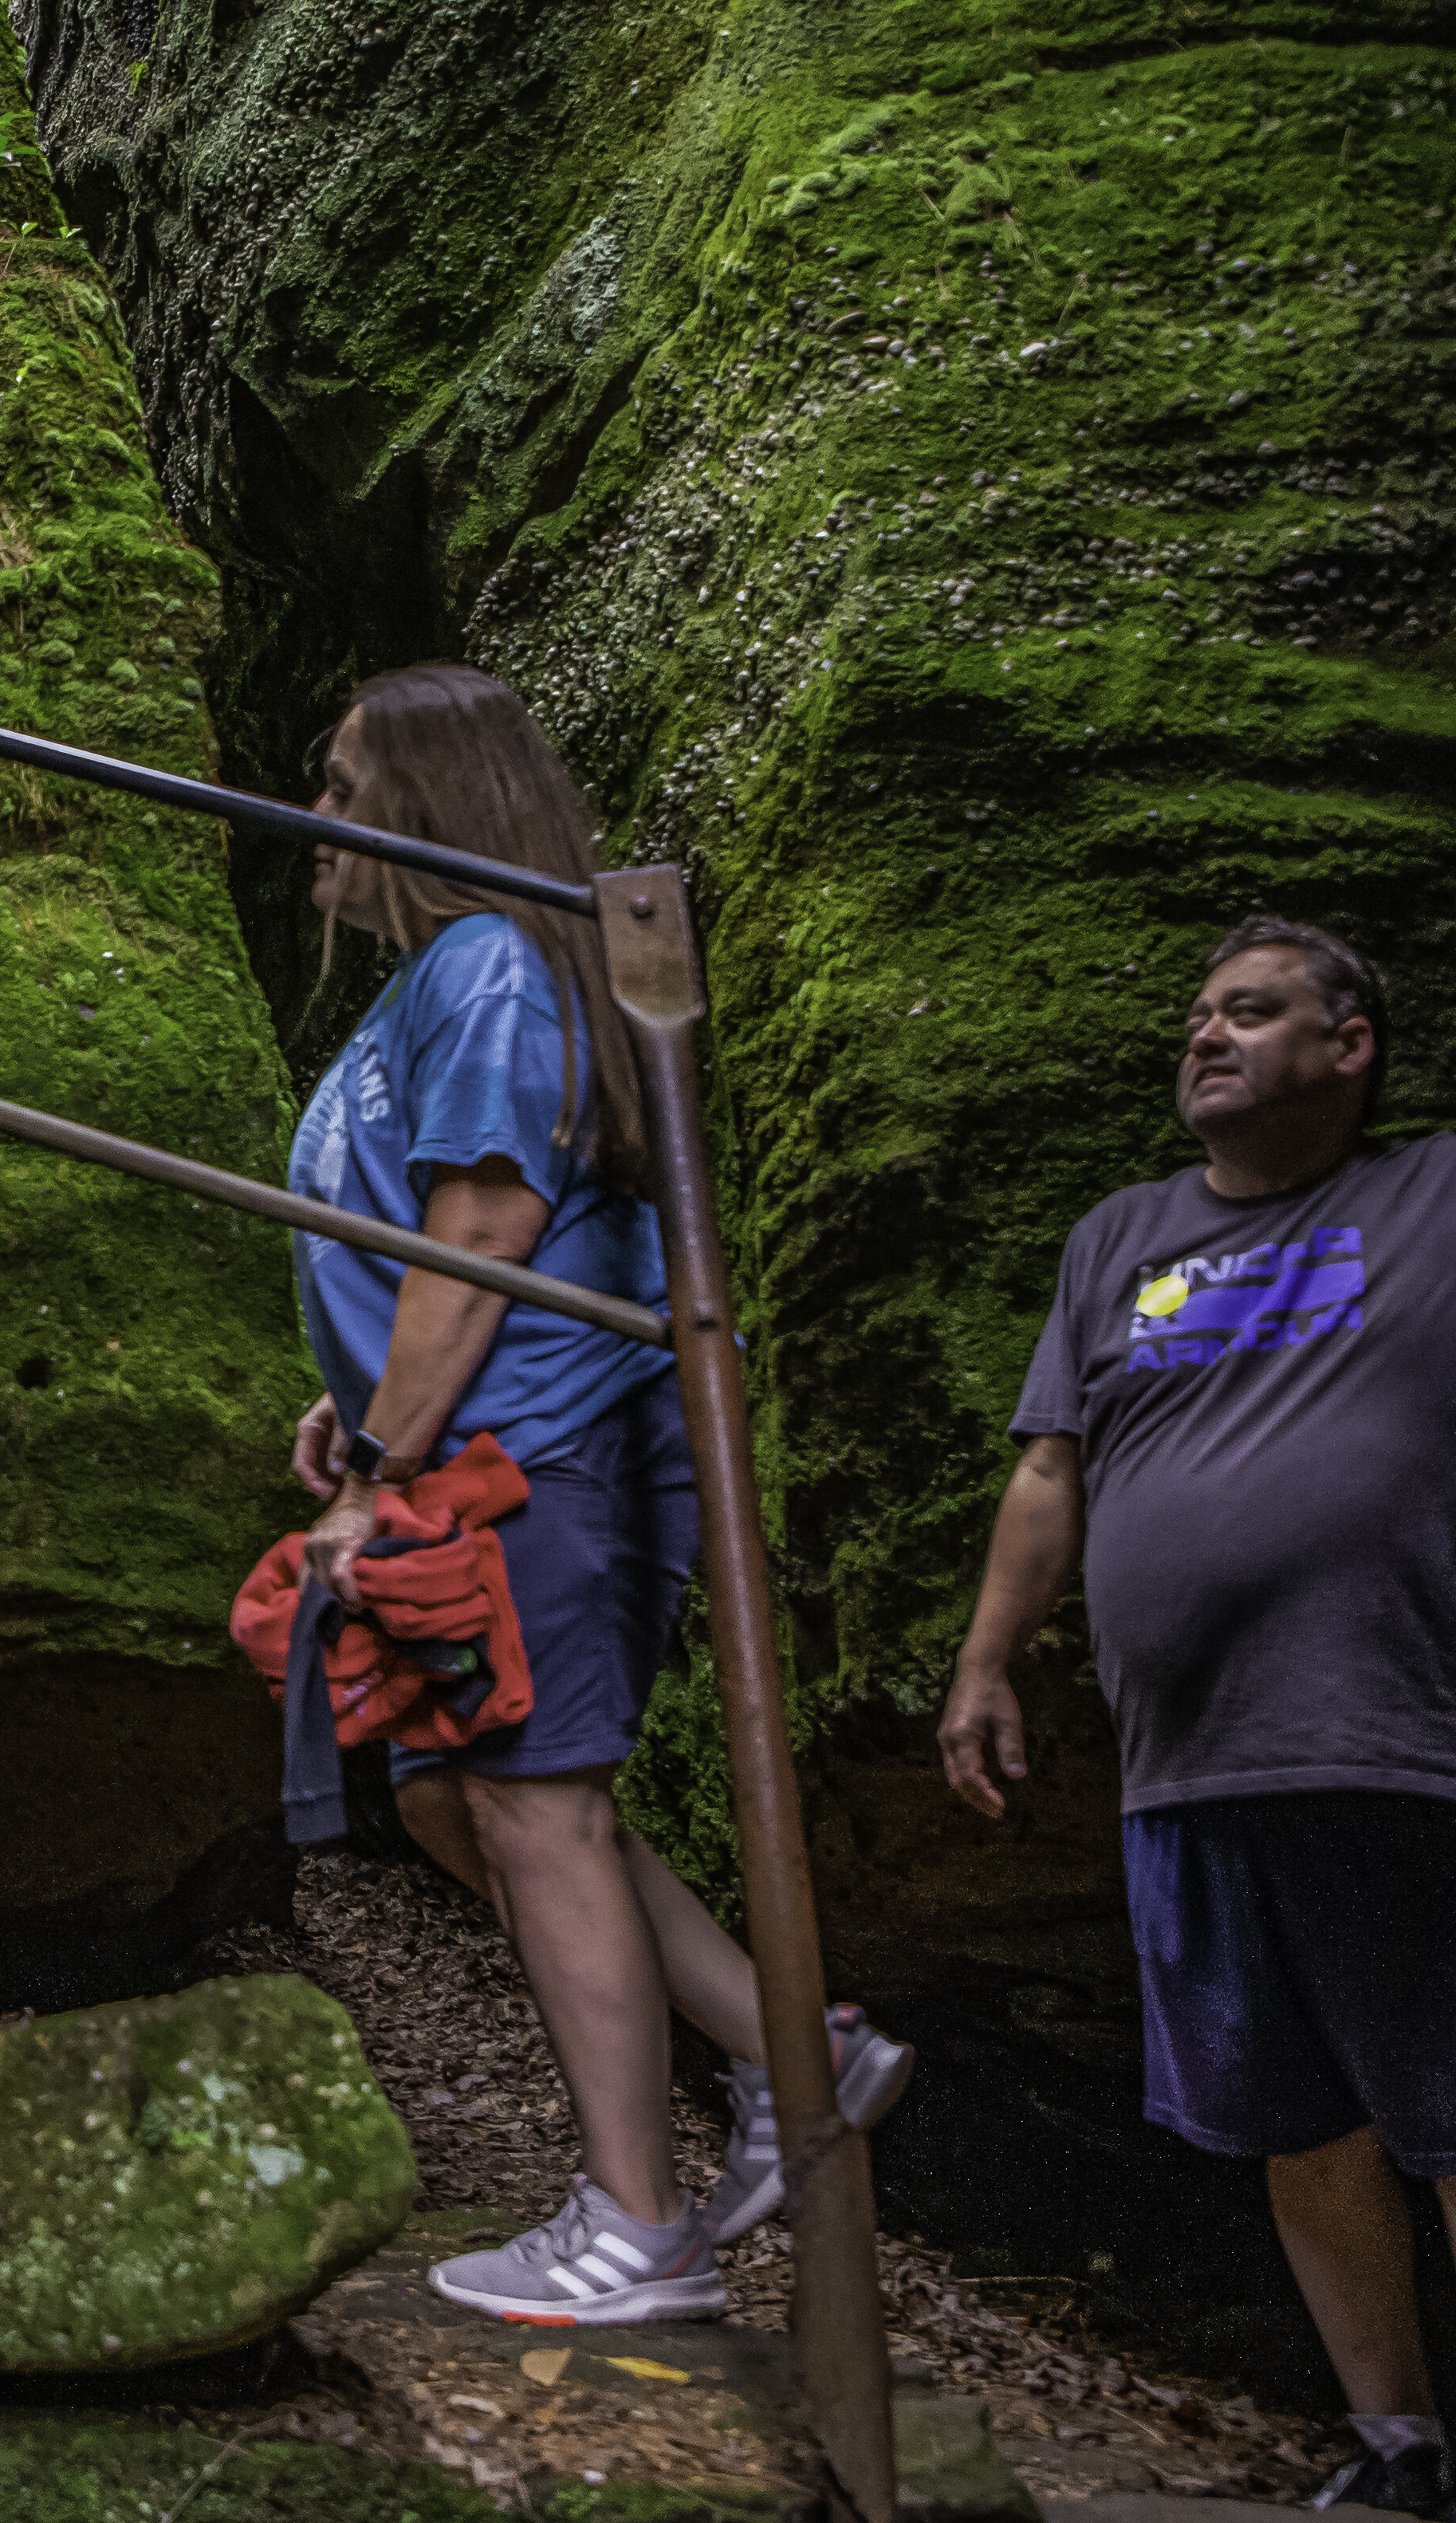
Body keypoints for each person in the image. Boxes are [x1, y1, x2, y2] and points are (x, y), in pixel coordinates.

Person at [941, 916, 1456, 2523]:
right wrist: (982, 1662)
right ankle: (1389, 2448)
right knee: (1292, 2126)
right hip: (1183, 1770)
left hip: (1395, 1753)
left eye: (1248, 1013)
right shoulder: (1118, 1239)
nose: (1205, 1037)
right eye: (1195, 1016)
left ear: (1348, 1045)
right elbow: (1051, 1472)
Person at [286, 663, 908, 2324]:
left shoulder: (488, 965)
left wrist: (378, 1462)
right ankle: (794, 2054)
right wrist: (347, 1394)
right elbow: (437, 1245)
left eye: (345, 788)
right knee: (451, 1795)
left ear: (431, 801)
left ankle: (636, 2227)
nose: (316, 825)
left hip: (537, 1451)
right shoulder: (437, 980)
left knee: (529, 1804)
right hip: (483, 1434)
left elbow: (479, 1235)